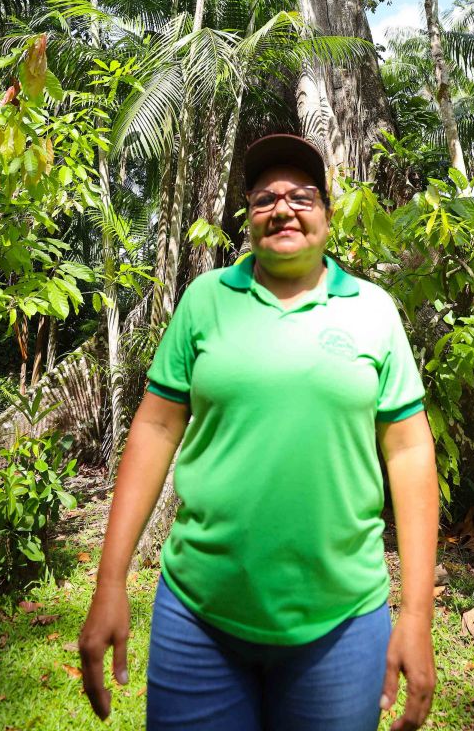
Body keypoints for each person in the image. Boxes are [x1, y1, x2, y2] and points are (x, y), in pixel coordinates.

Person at [79, 133, 438, 731]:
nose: (282, 208)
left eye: (301, 196)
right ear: (247, 216)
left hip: (343, 623)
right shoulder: (205, 301)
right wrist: (110, 580)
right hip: (199, 617)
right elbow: (156, 428)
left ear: (326, 213)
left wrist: (417, 615)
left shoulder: (372, 311)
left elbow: (408, 450)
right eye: (264, 198)